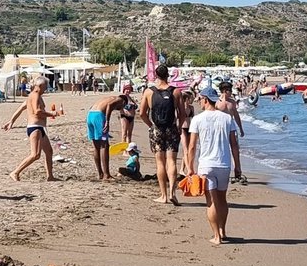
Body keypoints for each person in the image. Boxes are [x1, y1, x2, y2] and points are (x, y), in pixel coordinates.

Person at [187, 86, 241, 245]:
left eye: (200, 99)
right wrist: (237, 166)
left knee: (211, 201)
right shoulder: (226, 118)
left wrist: (190, 167)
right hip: (224, 164)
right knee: (223, 199)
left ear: (205, 99)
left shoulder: (198, 119)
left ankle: (216, 236)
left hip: (206, 165)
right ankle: (223, 231)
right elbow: (234, 145)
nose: (199, 101)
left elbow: (191, 146)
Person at [139, 64, 182, 204]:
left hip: (157, 129)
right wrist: (179, 127)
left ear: (156, 75)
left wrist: (151, 126)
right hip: (171, 128)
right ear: (167, 75)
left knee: (160, 162)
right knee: (172, 161)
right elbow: (181, 114)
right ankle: (172, 193)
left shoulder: (148, 92)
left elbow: (142, 113)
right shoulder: (176, 92)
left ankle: (163, 195)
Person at [5, 79, 61, 182]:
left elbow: (20, 108)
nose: (45, 89)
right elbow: (37, 112)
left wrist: (11, 121)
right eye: (44, 87)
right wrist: (52, 114)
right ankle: (15, 172)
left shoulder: (32, 96)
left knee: (49, 151)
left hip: (39, 128)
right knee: (35, 155)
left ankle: (50, 176)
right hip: (35, 127)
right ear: (39, 86)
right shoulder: (35, 95)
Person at [85, 90, 129, 180]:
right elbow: (109, 106)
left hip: (90, 115)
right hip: (98, 117)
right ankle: (106, 175)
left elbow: (97, 106)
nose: (120, 109)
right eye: (122, 107)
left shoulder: (106, 98)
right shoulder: (119, 99)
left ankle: (100, 173)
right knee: (104, 145)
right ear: (124, 102)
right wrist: (107, 122)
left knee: (96, 146)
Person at [216, 80, 248, 184]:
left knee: (235, 149)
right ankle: (220, 170)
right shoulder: (217, 102)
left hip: (231, 127)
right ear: (224, 91)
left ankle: (237, 170)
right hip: (220, 128)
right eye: (229, 90)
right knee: (221, 149)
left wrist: (241, 128)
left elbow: (236, 115)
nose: (231, 92)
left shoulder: (232, 102)